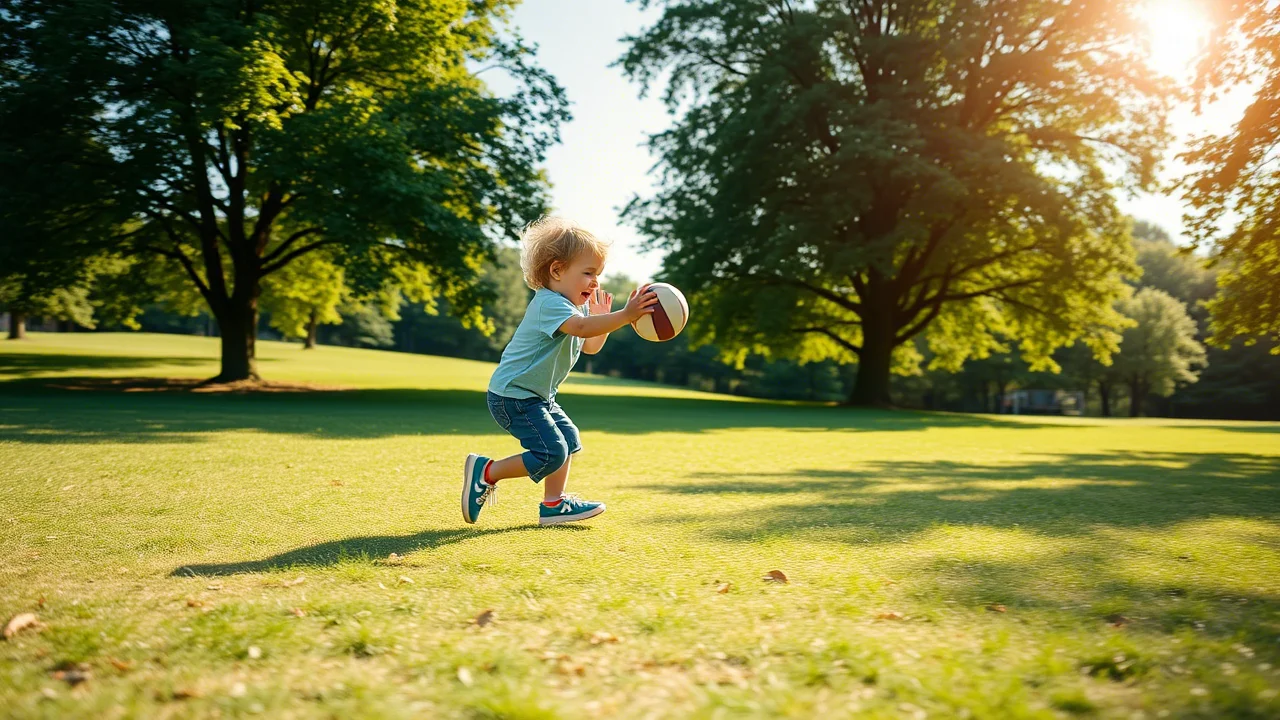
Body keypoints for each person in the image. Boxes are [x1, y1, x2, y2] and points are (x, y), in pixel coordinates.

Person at [463, 217, 657, 526]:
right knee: (552, 451)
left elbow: (590, 345)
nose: (595, 282)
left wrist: (603, 318)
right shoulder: (549, 303)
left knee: (567, 439)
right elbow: (580, 329)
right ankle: (486, 473)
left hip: (538, 397)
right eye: (588, 273)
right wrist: (626, 315)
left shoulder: (575, 309)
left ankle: (553, 504)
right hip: (513, 396)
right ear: (556, 270)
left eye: (598, 275)